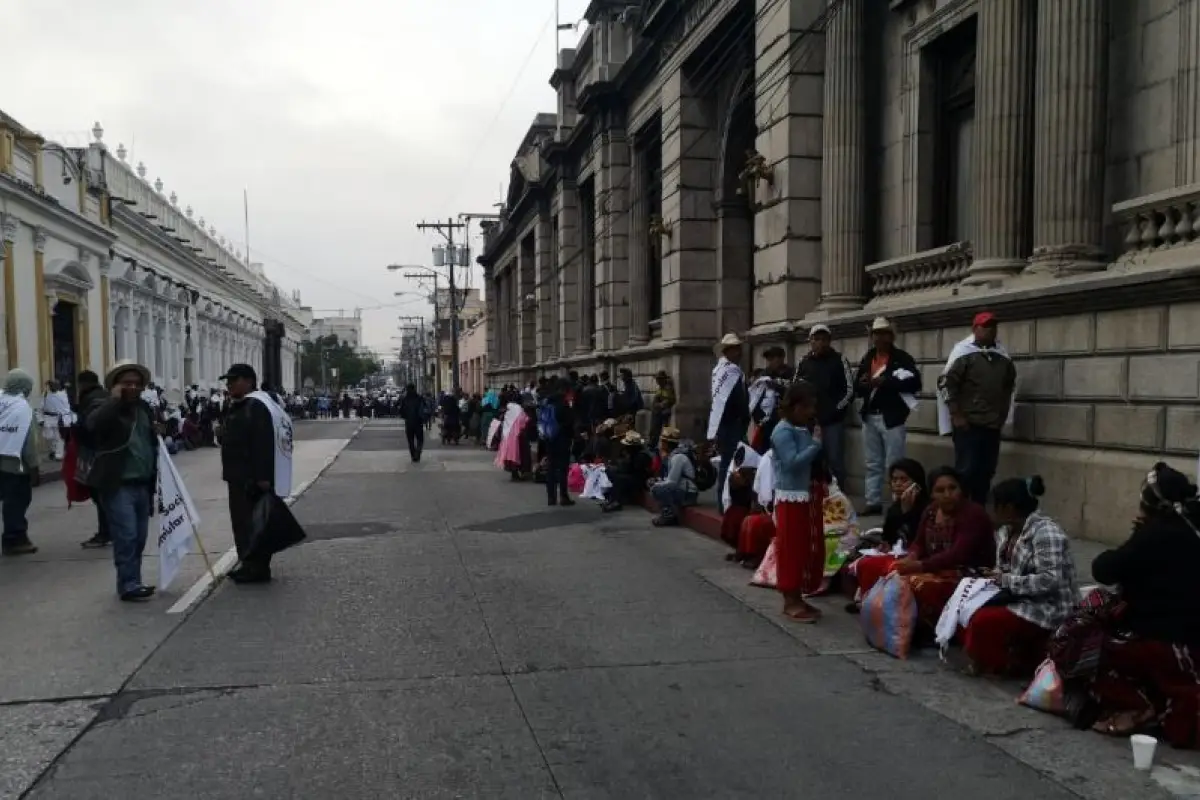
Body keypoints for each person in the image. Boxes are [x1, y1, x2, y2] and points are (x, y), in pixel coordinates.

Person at [1059, 463, 1200, 744]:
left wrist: (1138, 536)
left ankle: (1139, 706)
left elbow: (1104, 569)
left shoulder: (1153, 536)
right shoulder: (1189, 529)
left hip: (1162, 640)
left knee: (1074, 643)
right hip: (1190, 638)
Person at [962, 475, 1077, 677]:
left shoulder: (1046, 533)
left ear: (1009, 508)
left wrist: (1006, 580)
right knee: (964, 606)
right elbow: (1005, 570)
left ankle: (1002, 663)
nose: (991, 511)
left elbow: (1049, 580)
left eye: (995, 506)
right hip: (1018, 596)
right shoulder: (1006, 532)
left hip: (1047, 605)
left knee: (983, 620)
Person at [854, 466, 995, 630]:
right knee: (872, 565)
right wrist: (912, 555)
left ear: (961, 489)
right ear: (932, 494)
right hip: (932, 566)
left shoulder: (973, 514)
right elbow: (919, 542)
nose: (948, 495)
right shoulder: (931, 510)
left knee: (915, 583)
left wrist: (920, 566)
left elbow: (958, 554)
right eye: (940, 490)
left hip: (966, 573)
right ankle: (875, 615)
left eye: (952, 488)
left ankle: (919, 628)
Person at [83, 360, 157, 601]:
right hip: (118, 484)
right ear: (115, 385)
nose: (133, 388)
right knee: (126, 535)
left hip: (142, 483)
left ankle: (131, 579)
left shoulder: (144, 409)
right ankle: (129, 584)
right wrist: (114, 401)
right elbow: (92, 426)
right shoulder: (103, 407)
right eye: (127, 383)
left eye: (137, 384)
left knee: (140, 538)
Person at [220, 364, 291, 584]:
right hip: (237, 475)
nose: (230, 384)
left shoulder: (256, 406)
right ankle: (249, 564)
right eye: (228, 380)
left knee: (252, 524)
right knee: (242, 523)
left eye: (235, 379)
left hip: (250, 478)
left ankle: (255, 568)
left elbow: (262, 442)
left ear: (249, 381)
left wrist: (263, 477)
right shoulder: (239, 405)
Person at [939, 311, 1017, 504]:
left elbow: (1009, 386)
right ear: (975, 329)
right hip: (969, 424)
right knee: (966, 472)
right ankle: (961, 510)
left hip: (991, 425)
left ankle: (979, 512)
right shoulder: (963, 354)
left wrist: (1003, 415)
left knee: (986, 472)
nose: (990, 330)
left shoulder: (1002, 357)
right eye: (985, 326)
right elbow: (946, 384)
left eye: (993, 326)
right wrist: (955, 413)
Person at [770, 382, 826, 623]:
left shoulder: (801, 428)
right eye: (806, 408)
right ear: (793, 407)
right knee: (790, 548)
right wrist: (815, 446)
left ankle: (798, 595)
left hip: (802, 495)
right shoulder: (783, 431)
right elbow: (792, 462)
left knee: (803, 547)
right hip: (789, 497)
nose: (810, 413)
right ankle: (789, 599)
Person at [854, 317, 921, 514]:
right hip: (870, 415)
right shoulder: (868, 358)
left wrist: (886, 382)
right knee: (872, 462)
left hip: (892, 416)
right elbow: (857, 386)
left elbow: (915, 383)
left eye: (884, 333)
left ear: (891, 336)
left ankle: (898, 501)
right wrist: (865, 384)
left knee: (895, 463)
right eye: (877, 334)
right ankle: (872, 501)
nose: (880, 338)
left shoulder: (902, 358)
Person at [794, 324, 854, 489]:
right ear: (810, 341)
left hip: (832, 421)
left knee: (835, 460)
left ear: (829, 341)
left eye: (824, 339)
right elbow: (795, 388)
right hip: (809, 421)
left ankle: (838, 496)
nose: (820, 343)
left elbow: (849, 390)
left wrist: (835, 410)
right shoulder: (803, 362)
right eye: (816, 339)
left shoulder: (839, 360)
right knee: (810, 458)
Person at [707, 333, 750, 513]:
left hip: (729, 425)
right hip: (731, 425)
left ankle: (728, 500)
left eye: (739, 349)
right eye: (735, 349)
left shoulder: (721, 370)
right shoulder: (729, 371)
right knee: (729, 464)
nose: (739, 353)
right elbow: (734, 400)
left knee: (732, 463)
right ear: (727, 351)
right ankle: (724, 502)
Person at [0, 369, 39, 556]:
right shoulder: (22, 408)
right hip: (15, 465)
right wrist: (34, 466)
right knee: (16, 501)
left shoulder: (1, 401)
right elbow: (29, 443)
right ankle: (14, 539)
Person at [74, 370, 111, 549]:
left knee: (100, 495)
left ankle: (105, 533)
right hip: (109, 453)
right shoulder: (106, 395)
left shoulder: (89, 399)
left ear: (83, 384)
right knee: (106, 495)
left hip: (95, 454)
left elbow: (87, 427)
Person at [649, 427, 697, 526]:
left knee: (658, 489)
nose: (660, 444)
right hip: (682, 489)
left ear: (667, 443)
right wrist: (658, 481)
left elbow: (672, 482)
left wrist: (657, 484)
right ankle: (667, 513)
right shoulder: (673, 456)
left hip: (688, 494)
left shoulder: (678, 457)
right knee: (655, 485)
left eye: (662, 441)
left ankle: (669, 515)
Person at [540, 378, 576, 507]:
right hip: (562, 439)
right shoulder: (565, 403)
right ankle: (563, 496)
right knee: (562, 468)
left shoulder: (547, 401)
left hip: (549, 438)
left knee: (551, 467)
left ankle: (551, 497)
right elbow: (570, 422)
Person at [41, 379, 71, 461]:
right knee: (49, 436)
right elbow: (41, 407)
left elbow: (66, 408)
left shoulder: (62, 394)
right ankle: (53, 450)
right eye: (52, 385)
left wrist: (67, 419)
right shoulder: (45, 394)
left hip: (59, 418)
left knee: (59, 437)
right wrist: (40, 418)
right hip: (48, 418)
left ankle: (59, 455)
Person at [399, 384, 426, 462]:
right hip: (418, 422)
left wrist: (406, 417)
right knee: (420, 439)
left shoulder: (404, 399)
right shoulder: (419, 398)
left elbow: (401, 411)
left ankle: (413, 455)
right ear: (414, 389)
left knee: (410, 440)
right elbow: (424, 408)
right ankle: (417, 453)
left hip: (409, 423)